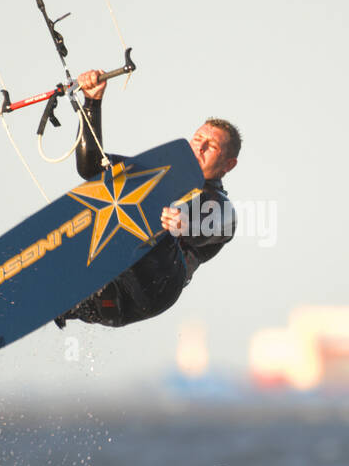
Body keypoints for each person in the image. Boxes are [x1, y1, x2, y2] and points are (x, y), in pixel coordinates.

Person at [55, 70, 239, 329]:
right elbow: (91, 167)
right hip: (110, 299)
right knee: (116, 191)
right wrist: (92, 103)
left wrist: (184, 222)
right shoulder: (151, 175)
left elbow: (217, 220)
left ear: (228, 165)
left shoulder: (220, 207)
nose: (200, 147)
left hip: (154, 290)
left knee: (141, 207)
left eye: (212, 146)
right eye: (198, 139)